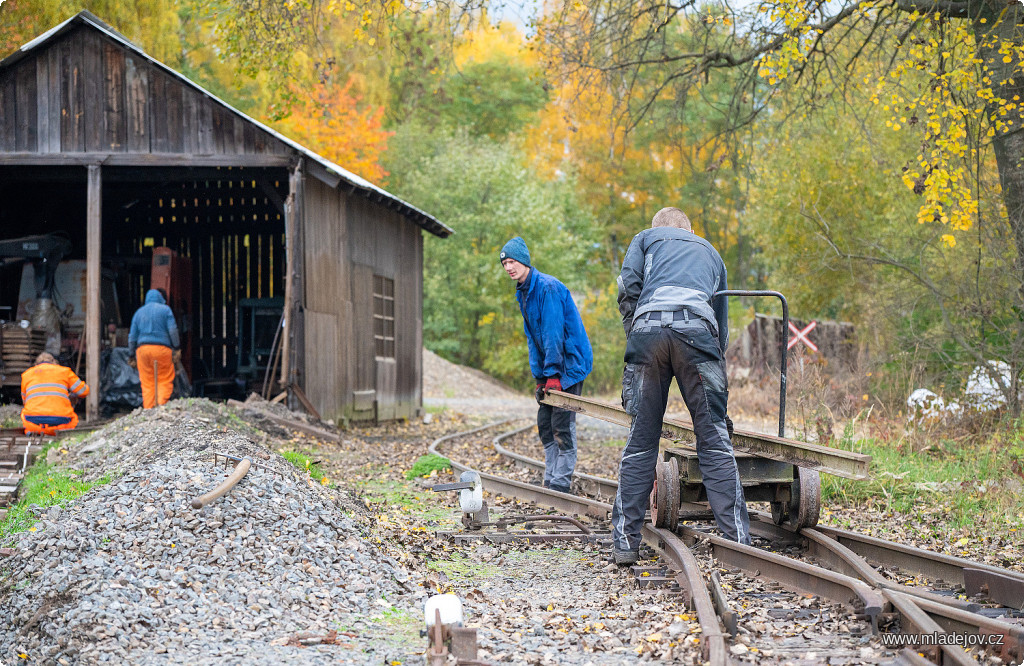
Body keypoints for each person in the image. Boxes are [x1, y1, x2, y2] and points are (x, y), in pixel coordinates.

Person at [611, 207, 750, 565]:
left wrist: (637, 335)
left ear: (657, 228)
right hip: (698, 334)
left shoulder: (644, 238)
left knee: (641, 441)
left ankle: (625, 544)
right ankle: (739, 545)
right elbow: (721, 318)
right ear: (689, 231)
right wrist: (714, 375)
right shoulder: (710, 251)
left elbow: (627, 288)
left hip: (648, 335)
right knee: (714, 440)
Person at [500, 236, 593, 494]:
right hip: (552, 367)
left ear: (524, 261)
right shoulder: (524, 292)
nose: (508, 267)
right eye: (505, 263)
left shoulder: (547, 288)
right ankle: (551, 478)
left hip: (570, 364)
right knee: (545, 423)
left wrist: (553, 374)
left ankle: (561, 483)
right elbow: (533, 337)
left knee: (562, 423)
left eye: (512, 261)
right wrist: (539, 377)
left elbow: (553, 333)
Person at [129, 288, 180, 408]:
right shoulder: (166, 310)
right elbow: (173, 330)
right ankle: (161, 407)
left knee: (147, 382)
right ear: (160, 298)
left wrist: (131, 354)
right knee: (164, 379)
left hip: (143, 351)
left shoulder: (139, 313)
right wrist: (177, 347)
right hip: (162, 350)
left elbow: (132, 337)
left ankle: (149, 409)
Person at [20, 352, 89, 434]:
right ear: (54, 361)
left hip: (33, 423)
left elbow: (25, 401)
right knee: (73, 418)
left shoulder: (27, 375)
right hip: (61, 423)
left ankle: (35, 431)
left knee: (25, 414)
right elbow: (83, 392)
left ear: (36, 364)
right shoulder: (65, 371)